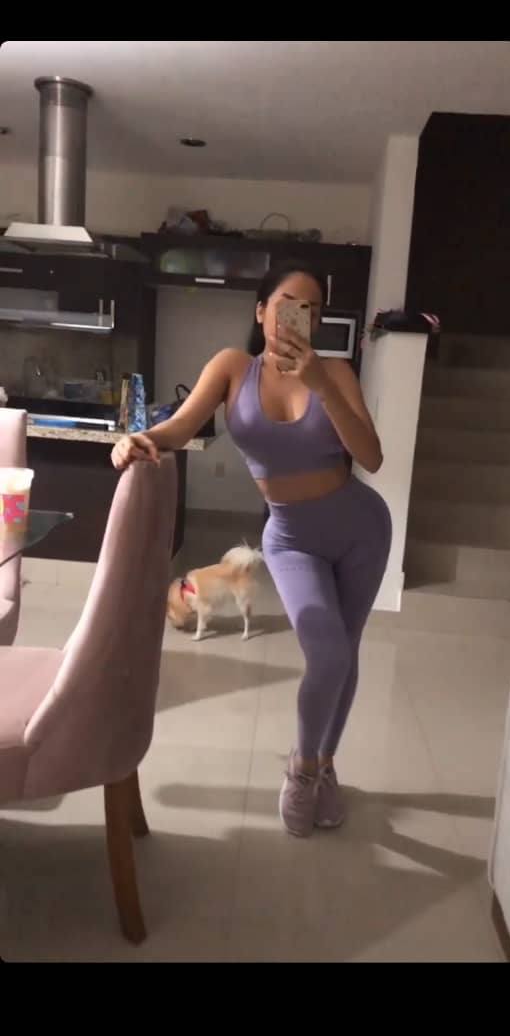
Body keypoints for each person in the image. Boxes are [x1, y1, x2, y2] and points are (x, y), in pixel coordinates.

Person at [112, 264, 391, 837]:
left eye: (311, 310)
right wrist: (142, 439)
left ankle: (324, 765)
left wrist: (321, 385)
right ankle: (302, 768)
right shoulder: (233, 368)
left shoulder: (336, 372)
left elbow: (371, 456)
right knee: (327, 654)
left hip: (361, 529)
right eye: (288, 305)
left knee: (347, 652)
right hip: (290, 539)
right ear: (261, 310)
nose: (298, 318)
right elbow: (182, 426)